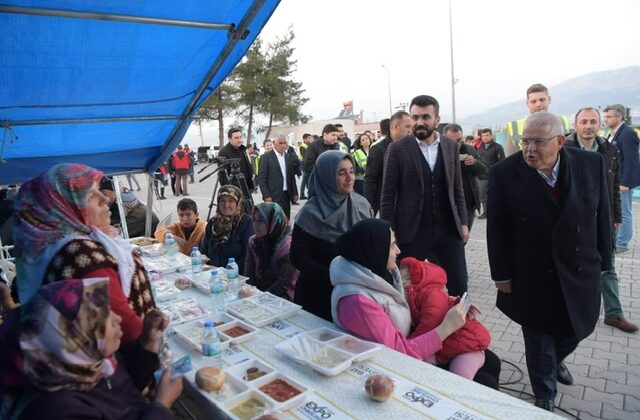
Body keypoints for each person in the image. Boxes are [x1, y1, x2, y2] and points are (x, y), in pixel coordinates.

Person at [487, 112, 612, 412]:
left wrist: (606, 261)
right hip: (531, 269)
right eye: (524, 141)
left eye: (538, 142)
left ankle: (555, 361)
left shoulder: (590, 164)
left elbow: (603, 214)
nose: (529, 149)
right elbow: (497, 228)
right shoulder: (504, 172)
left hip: (579, 264)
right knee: (539, 334)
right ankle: (544, 396)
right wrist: (501, 275)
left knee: (579, 326)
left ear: (559, 141)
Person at [330, 219, 499, 388]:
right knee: (485, 382)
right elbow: (397, 353)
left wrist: (451, 304)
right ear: (374, 250)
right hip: (394, 364)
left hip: (414, 343)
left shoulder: (379, 272)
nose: (398, 250)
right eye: (391, 245)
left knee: (491, 361)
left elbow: (413, 301)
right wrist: (446, 327)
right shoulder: (357, 302)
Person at [12, 163, 156, 344]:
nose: (104, 198)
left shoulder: (50, 247)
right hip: (119, 360)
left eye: (99, 190)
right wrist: (152, 344)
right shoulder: (78, 253)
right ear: (62, 206)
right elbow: (127, 326)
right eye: (90, 195)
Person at [0, 277, 183, 419]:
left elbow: (125, 384)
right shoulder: (56, 411)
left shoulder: (91, 362)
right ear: (73, 338)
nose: (117, 319)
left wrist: (146, 342)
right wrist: (162, 405)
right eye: (104, 320)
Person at [380, 95, 469, 297]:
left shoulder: (450, 146)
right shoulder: (397, 149)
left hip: (447, 229)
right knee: (406, 287)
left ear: (437, 119)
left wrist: (463, 223)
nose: (419, 122)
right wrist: (389, 230)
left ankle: (462, 326)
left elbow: (457, 189)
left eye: (425, 117)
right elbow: (387, 194)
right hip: (411, 231)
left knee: (460, 284)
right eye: (415, 117)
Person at [565, 107, 638, 333]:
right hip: (572, 221)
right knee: (573, 268)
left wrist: (615, 215)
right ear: (576, 125)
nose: (588, 126)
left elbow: (614, 186)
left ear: (600, 125)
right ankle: (573, 313)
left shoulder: (609, 149)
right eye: (584, 122)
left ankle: (614, 314)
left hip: (602, 219)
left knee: (609, 265)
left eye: (593, 121)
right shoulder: (563, 149)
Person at [291, 151, 371, 321]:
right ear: (326, 176)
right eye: (341, 173)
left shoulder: (362, 205)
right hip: (318, 296)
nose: (350, 178)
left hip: (356, 294)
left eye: (351, 171)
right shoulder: (310, 214)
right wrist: (334, 275)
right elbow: (298, 257)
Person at [604, 104, 640, 253]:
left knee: (624, 212)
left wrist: (625, 182)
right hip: (614, 180)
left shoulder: (627, 133)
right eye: (605, 116)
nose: (605, 119)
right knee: (616, 211)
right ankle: (616, 239)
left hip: (622, 182)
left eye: (609, 116)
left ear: (619, 117)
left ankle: (622, 243)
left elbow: (631, 160)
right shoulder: (613, 133)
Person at [244, 202, 298, 300]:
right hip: (259, 293)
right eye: (254, 220)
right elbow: (249, 273)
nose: (255, 224)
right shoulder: (254, 241)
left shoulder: (288, 247)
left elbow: (283, 282)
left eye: (260, 221)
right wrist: (249, 292)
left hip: (284, 298)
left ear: (273, 222)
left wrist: (260, 299)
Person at [504, 83, 570, 156]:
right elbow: (509, 158)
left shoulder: (562, 121)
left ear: (549, 100)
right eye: (533, 101)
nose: (538, 104)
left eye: (542, 100)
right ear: (527, 103)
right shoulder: (514, 127)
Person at [364, 114, 411, 216]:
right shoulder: (378, 149)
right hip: (387, 205)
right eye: (407, 126)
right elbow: (370, 178)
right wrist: (369, 205)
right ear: (395, 127)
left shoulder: (412, 148)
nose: (410, 130)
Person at [201, 185, 254, 273]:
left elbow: (248, 257)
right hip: (212, 274)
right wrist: (202, 259)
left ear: (238, 204)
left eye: (231, 201)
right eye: (223, 201)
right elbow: (204, 249)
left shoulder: (246, 222)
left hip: (235, 276)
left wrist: (225, 271)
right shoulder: (212, 223)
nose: (226, 205)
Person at [444, 124, 487, 230]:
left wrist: (475, 163)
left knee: (464, 235)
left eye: (459, 140)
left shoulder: (469, 149)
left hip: (468, 202)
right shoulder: (438, 151)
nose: (456, 144)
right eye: (452, 141)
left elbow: (484, 171)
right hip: (446, 203)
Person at [256, 134, 299, 218]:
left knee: (286, 220)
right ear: (274, 143)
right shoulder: (266, 157)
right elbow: (261, 179)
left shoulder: (287, 157)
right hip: (273, 195)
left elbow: (291, 177)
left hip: (287, 195)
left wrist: (295, 192)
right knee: (275, 222)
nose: (283, 145)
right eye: (280, 143)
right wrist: (266, 195)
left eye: (284, 143)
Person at [476, 128, 504, 219]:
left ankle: (498, 212)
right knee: (483, 196)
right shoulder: (478, 147)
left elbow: (502, 161)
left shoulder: (498, 147)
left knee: (495, 195)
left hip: (493, 176)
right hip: (481, 176)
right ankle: (486, 212)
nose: (485, 137)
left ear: (491, 135)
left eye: (487, 135)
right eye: (483, 136)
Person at [219, 127, 255, 192]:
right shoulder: (223, 152)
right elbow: (222, 176)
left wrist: (251, 185)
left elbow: (247, 167)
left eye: (240, 137)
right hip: (234, 191)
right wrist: (229, 193)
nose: (239, 140)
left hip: (247, 188)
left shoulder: (242, 149)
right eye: (236, 138)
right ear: (229, 139)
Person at [299, 133, 313, 199]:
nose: (310, 139)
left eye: (311, 138)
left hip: (307, 163)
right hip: (304, 164)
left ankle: (302, 194)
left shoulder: (308, 145)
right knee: (307, 178)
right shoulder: (303, 146)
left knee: (305, 179)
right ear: (304, 139)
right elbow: (305, 157)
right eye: (309, 138)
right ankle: (305, 193)